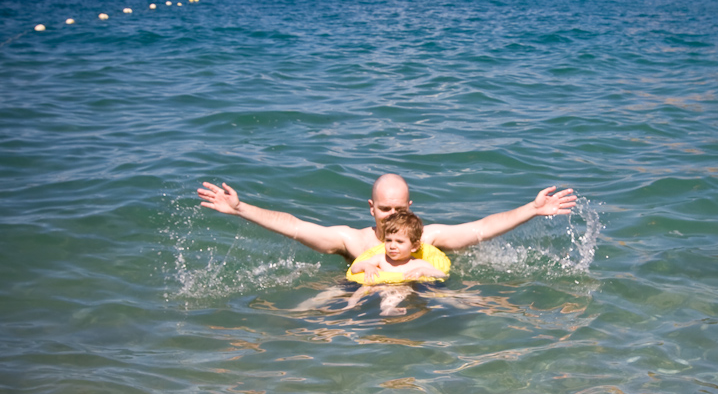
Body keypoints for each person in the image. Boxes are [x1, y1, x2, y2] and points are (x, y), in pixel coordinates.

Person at [197, 173, 577, 262]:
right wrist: (241, 208)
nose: (393, 216)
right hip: (361, 297)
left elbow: (480, 228)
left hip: (420, 296)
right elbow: (295, 227)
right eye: (385, 209)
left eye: (400, 209)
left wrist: (532, 209)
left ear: (411, 207)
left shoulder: (428, 239)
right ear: (371, 209)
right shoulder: (353, 241)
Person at [348, 211, 447, 284]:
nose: (392, 246)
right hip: (380, 289)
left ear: (414, 246)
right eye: (388, 240)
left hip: (407, 291)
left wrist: (423, 271)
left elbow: (442, 275)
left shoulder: (418, 264)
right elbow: (354, 268)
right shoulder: (381, 259)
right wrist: (367, 266)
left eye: (399, 242)